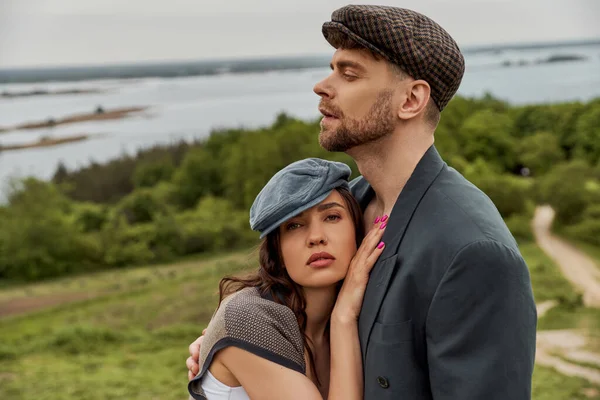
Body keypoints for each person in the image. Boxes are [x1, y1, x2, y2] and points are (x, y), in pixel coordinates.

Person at [188, 5, 537, 399]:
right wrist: (223, 350)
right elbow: (273, 310)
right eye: (332, 68)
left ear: (410, 100)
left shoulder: (473, 251)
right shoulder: (344, 208)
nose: (322, 85)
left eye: (349, 73)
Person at [188, 158, 389, 400]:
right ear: (278, 251)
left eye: (332, 217)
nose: (316, 237)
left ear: (358, 231)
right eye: (294, 225)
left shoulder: (358, 314)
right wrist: (343, 316)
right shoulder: (250, 318)